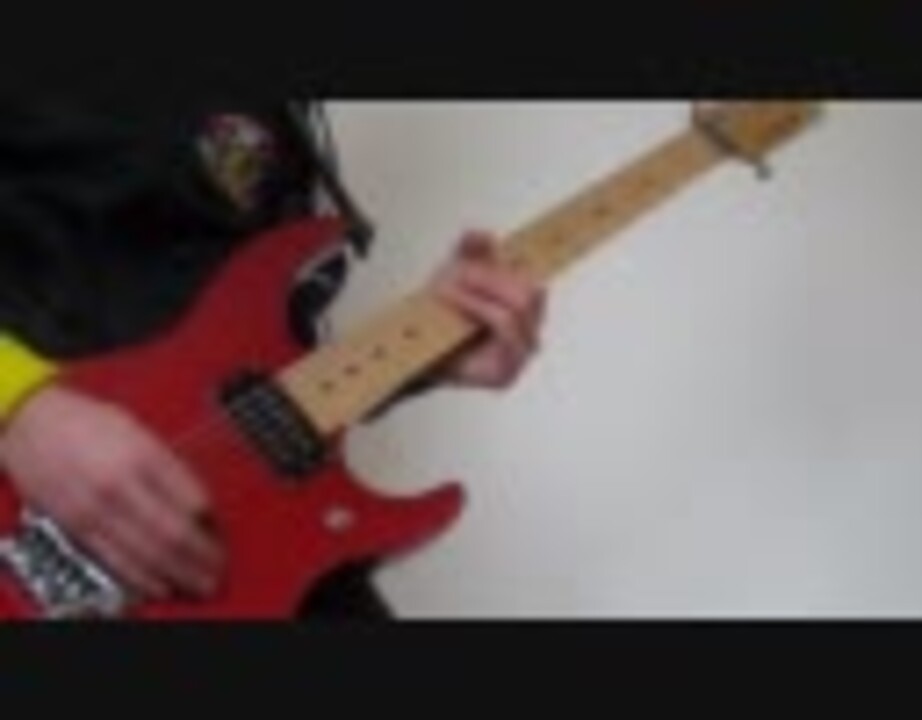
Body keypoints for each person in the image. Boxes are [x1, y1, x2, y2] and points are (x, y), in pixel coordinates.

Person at [0, 97, 547, 619]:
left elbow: (233, 361)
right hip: (30, 529)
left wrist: (424, 349)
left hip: (228, 556)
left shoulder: (291, 120)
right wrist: (21, 408)